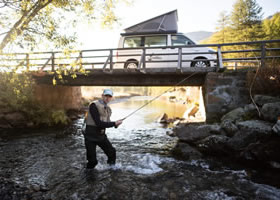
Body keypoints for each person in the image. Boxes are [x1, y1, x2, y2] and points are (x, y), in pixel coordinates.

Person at [84, 89, 123, 169]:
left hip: (101, 135)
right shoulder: (93, 105)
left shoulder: (108, 109)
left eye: (109, 97)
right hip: (90, 136)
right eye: (106, 96)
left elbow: (107, 123)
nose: (107, 98)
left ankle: (111, 168)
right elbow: (98, 123)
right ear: (102, 96)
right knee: (92, 161)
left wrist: (116, 124)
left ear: (111, 98)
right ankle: (88, 176)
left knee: (112, 152)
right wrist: (113, 123)